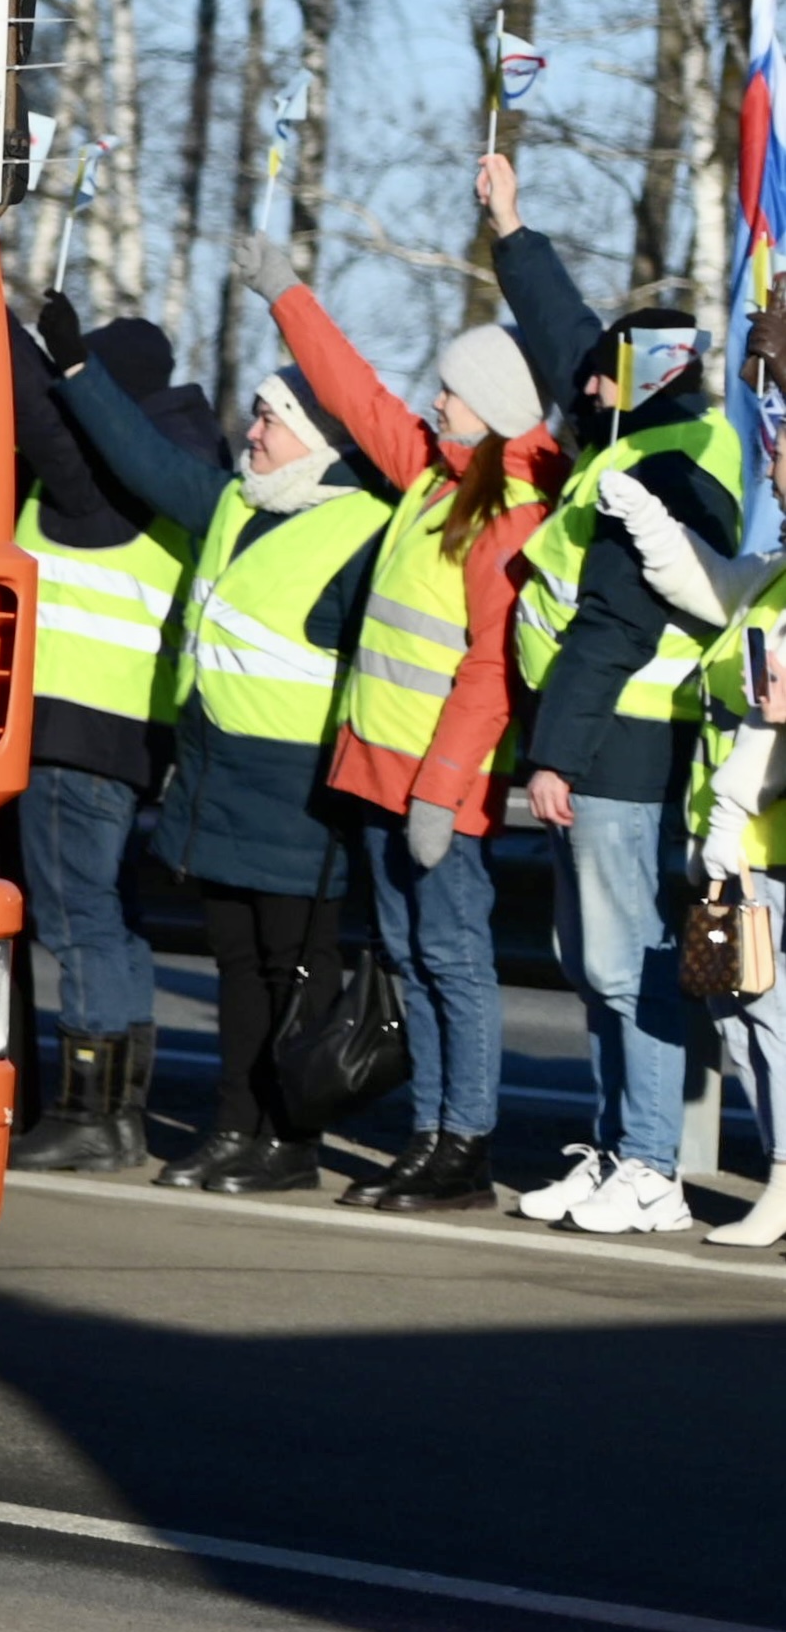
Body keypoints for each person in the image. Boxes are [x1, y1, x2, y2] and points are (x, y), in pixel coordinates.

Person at [265, 204, 569, 1212]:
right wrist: (287, 296)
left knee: (453, 960)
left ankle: (463, 1145)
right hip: (380, 775)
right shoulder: (438, 479)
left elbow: (489, 671)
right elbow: (357, 397)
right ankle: (429, 1134)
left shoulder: (509, 517)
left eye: (453, 389)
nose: (436, 398)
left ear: (496, 407)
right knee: (407, 955)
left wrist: (440, 793)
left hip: (440, 794)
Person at [63, 342, 389, 1192]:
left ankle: (290, 1141)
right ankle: (235, 1127)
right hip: (220, 785)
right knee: (239, 969)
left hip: (301, 796)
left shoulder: (363, 528)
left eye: (271, 419)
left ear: (316, 436)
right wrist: (75, 372)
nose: (253, 432)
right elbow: (146, 463)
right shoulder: (242, 504)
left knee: (295, 973)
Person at [503, 223, 741, 1239]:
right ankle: (616, 1149)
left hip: (617, 740)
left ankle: (650, 1166)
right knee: (592, 959)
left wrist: (555, 753)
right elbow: (574, 340)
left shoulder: (657, 468)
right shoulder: (653, 433)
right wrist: (512, 235)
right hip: (604, 736)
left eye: (604, 377)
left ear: (642, 378)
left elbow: (614, 623)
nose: (586, 390)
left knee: (622, 961)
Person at [9, 292, 194, 1170]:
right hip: (130, 741)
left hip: (70, 735)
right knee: (113, 921)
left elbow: (31, 405)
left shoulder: (91, 489)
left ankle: (88, 1113)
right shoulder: (166, 479)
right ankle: (120, 1115)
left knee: (77, 921)